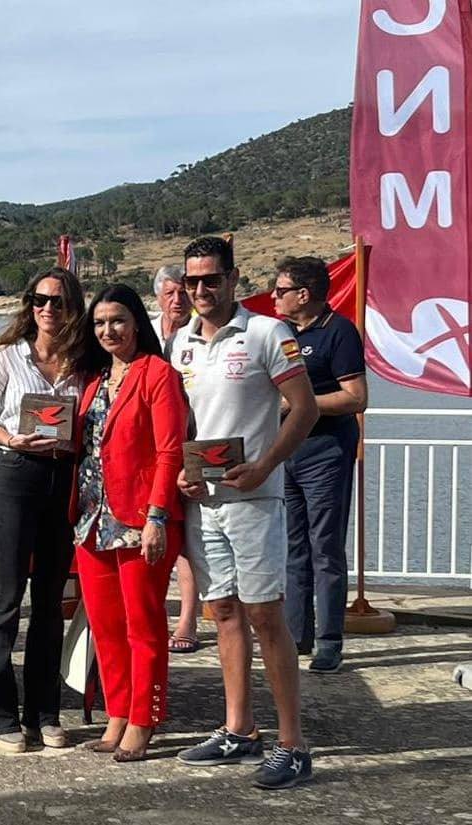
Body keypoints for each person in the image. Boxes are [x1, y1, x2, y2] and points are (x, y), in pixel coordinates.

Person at [170, 236, 319, 790]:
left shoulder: (267, 333)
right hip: (203, 502)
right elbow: (184, 423)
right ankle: (239, 730)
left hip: (254, 499)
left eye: (212, 279)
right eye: (193, 281)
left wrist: (264, 466)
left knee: (265, 615)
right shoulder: (179, 342)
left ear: (233, 279)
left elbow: (302, 410)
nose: (202, 290)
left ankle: (292, 744)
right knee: (224, 614)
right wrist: (182, 472)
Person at [0, 267, 85, 754]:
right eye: (39, 300)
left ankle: (44, 711)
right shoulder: (8, 357)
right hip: (15, 474)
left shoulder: (83, 360)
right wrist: (7, 437)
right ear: (28, 304)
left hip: (64, 478)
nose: (47, 309)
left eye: (57, 301)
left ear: (71, 305)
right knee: (6, 599)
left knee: (51, 600)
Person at [73, 284, 188, 762]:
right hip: (92, 520)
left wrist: (158, 516)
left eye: (117, 320)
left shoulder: (157, 374)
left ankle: (145, 718)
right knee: (105, 626)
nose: (108, 330)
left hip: (141, 519)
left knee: (144, 625)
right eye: (99, 323)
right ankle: (116, 713)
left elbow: (169, 450)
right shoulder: (96, 379)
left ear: (136, 322)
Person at [273, 256, 367, 673]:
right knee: (293, 547)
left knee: (325, 546)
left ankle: (330, 640)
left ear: (304, 294)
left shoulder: (339, 332)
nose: (274, 298)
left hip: (326, 450)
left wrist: (299, 404)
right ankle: (297, 635)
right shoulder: (282, 333)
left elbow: (356, 397)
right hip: (286, 450)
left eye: (280, 291)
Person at [151, 265, 200, 655]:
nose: (177, 300)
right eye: (169, 293)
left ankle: (188, 618)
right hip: (149, 447)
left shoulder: (202, 332)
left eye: (182, 292)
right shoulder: (143, 328)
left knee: (185, 536)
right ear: (158, 297)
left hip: (192, 442)